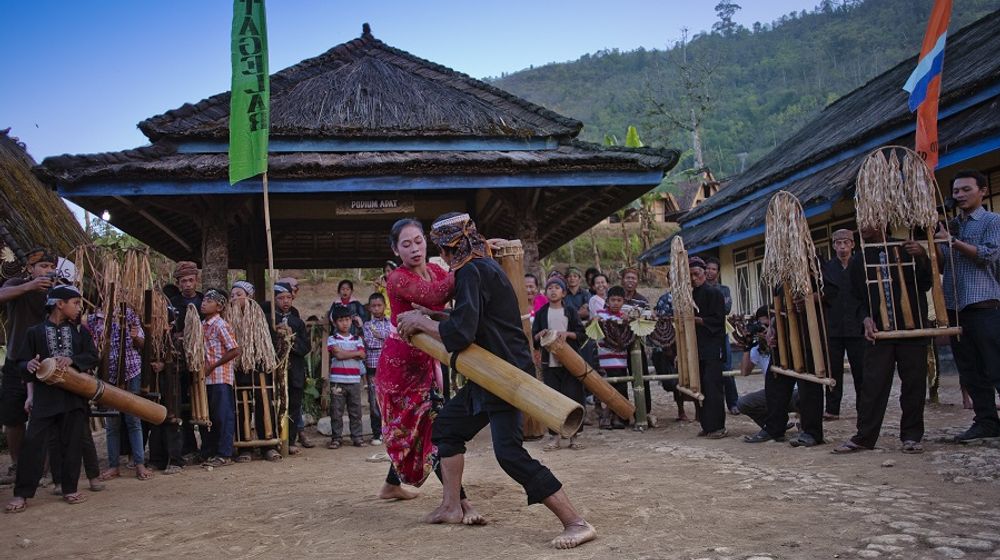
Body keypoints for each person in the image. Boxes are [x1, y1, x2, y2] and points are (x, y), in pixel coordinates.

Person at [397, 212, 596, 549]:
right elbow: (471, 320)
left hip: (505, 375)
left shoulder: (472, 271)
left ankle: (576, 522)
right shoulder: (480, 267)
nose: (442, 257)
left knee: (508, 453)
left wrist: (420, 321)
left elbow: (460, 334)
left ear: (451, 247)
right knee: (447, 427)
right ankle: (450, 506)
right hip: (486, 371)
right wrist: (435, 316)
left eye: (442, 249)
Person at [833, 228, 932, 454]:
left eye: (870, 220)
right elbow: (856, 297)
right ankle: (865, 437)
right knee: (872, 385)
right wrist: (866, 318)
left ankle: (912, 435)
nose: (865, 226)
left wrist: (922, 256)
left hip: (912, 328)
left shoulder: (906, 249)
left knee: (914, 384)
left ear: (881, 221)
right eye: (862, 221)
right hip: (878, 332)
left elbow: (926, 283)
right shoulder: (860, 259)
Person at [5, 285, 99, 513]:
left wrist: (73, 359)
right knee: (33, 446)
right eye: (75, 303)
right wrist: (28, 364)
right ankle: (22, 494)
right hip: (45, 399)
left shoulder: (79, 332)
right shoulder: (34, 332)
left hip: (73, 398)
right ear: (60, 304)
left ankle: (70, 488)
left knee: (72, 444)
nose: (79, 308)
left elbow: (92, 357)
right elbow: (20, 362)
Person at [936, 170, 1000, 443]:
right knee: (970, 370)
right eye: (956, 191)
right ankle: (986, 422)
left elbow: (988, 255)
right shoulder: (952, 225)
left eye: (965, 189)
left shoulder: (991, 221)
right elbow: (942, 264)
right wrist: (933, 245)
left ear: (982, 190)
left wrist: (953, 241)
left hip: (984, 304)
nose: (959, 195)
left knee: (996, 366)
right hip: (955, 306)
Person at [0, 248, 56, 485]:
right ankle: (16, 465)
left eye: (51, 267)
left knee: (43, 417)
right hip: (15, 362)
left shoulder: (56, 291)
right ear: (30, 269)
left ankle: (41, 470)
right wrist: (29, 287)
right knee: (12, 417)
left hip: (44, 364)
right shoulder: (16, 284)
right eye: (42, 266)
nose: (47, 271)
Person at [86, 305, 151, 481]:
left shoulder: (129, 313)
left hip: (131, 371)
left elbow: (142, 343)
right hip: (108, 374)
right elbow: (92, 347)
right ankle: (113, 465)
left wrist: (135, 336)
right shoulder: (92, 318)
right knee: (112, 422)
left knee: (133, 419)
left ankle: (139, 463)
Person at [532, 275, 586, 451]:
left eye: (557, 288)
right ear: (545, 292)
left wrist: (566, 334)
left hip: (570, 363)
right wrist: (540, 335)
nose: (553, 290)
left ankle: (573, 436)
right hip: (550, 363)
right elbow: (534, 339)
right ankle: (554, 437)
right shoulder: (541, 313)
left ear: (563, 293)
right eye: (550, 288)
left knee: (573, 397)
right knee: (553, 400)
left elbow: (581, 334)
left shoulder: (570, 311)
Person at [822, 229, 866, 420]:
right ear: (833, 246)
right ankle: (832, 409)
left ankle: (863, 408)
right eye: (838, 243)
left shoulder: (859, 264)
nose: (842, 247)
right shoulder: (827, 268)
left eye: (845, 243)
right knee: (833, 371)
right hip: (834, 326)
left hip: (857, 325)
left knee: (861, 370)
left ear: (852, 244)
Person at [198, 289, 241, 467]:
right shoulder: (202, 325)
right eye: (204, 300)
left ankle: (225, 454)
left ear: (219, 306)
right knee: (209, 417)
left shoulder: (220, 325)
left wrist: (213, 366)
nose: (204, 303)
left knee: (223, 416)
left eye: (209, 301)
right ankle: (210, 451)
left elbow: (235, 350)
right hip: (205, 379)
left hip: (220, 378)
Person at [688, 257, 727, 439]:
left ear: (705, 273)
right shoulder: (691, 295)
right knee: (701, 386)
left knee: (713, 387)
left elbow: (719, 320)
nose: (694, 278)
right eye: (691, 276)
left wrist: (701, 321)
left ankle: (718, 426)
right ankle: (706, 424)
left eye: (697, 274)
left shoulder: (715, 293)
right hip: (697, 347)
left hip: (712, 346)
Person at [270, 282, 311, 454]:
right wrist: (278, 336)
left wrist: (290, 339)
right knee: (274, 404)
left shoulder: (298, 322)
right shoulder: (269, 320)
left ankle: (291, 441)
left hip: (294, 371)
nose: (285, 301)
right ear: (274, 300)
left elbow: (306, 347)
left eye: (288, 297)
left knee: (293, 405)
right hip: (275, 370)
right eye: (280, 298)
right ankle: (272, 441)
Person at [168, 261, 203, 459]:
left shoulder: (205, 301)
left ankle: (207, 447)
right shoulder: (171, 303)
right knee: (181, 403)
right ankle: (188, 446)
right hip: (180, 362)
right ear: (178, 283)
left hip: (201, 361)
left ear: (196, 280)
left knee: (204, 401)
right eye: (183, 281)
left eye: (191, 280)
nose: (188, 284)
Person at [326, 305, 366, 449]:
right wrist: (354, 353)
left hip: (354, 381)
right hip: (337, 381)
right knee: (336, 411)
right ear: (335, 323)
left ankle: (357, 437)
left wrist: (345, 353)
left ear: (351, 321)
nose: (345, 323)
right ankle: (336, 438)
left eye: (347, 319)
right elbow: (338, 354)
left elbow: (362, 355)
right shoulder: (332, 339)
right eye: (341, 320)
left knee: (356, 412)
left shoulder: (357, 339)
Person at [704, 257, 740, 415]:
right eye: (707, 268)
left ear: (717, 272)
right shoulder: (699, 289)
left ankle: (733, 403)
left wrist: (709, 313)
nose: (709, 271)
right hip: (705, 334)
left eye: (713, 269)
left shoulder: (724, 289)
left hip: (721, 332)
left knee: (727, 367)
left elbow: (726, 308)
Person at [595, 286, 631, 429]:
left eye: (619, 300)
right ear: (607, 301)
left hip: (620, 360)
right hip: (604, 360)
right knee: (606, 390)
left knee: (620, 389)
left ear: (623, 301)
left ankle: (619, 417)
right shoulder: (600, 315)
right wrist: (595, 321)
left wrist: (627, 321)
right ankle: (605, 417)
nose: (615, 303)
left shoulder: (625, 318)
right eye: (613, 300)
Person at [652, 290, 691, 422]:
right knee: (675, 379)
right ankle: (681, 410)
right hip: (670, 341)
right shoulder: (665, 299)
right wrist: (667, 346)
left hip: (690, 340)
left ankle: (699, 410)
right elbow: (662, 322)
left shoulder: (692, 295)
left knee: (695, 376)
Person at [361, 293, 390, 445]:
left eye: (379, 305)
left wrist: (380, 336)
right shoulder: (367, 325)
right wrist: (385, 338)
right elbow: (370, 343)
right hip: (373, 368)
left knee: (390, 400)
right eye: (374, 306)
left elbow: (394, 340)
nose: (377, 308)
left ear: (384, 306)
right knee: (374, 401)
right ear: (370, 308)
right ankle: (376, 433)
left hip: (389, 368)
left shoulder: (391, 323)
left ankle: (390, 432)